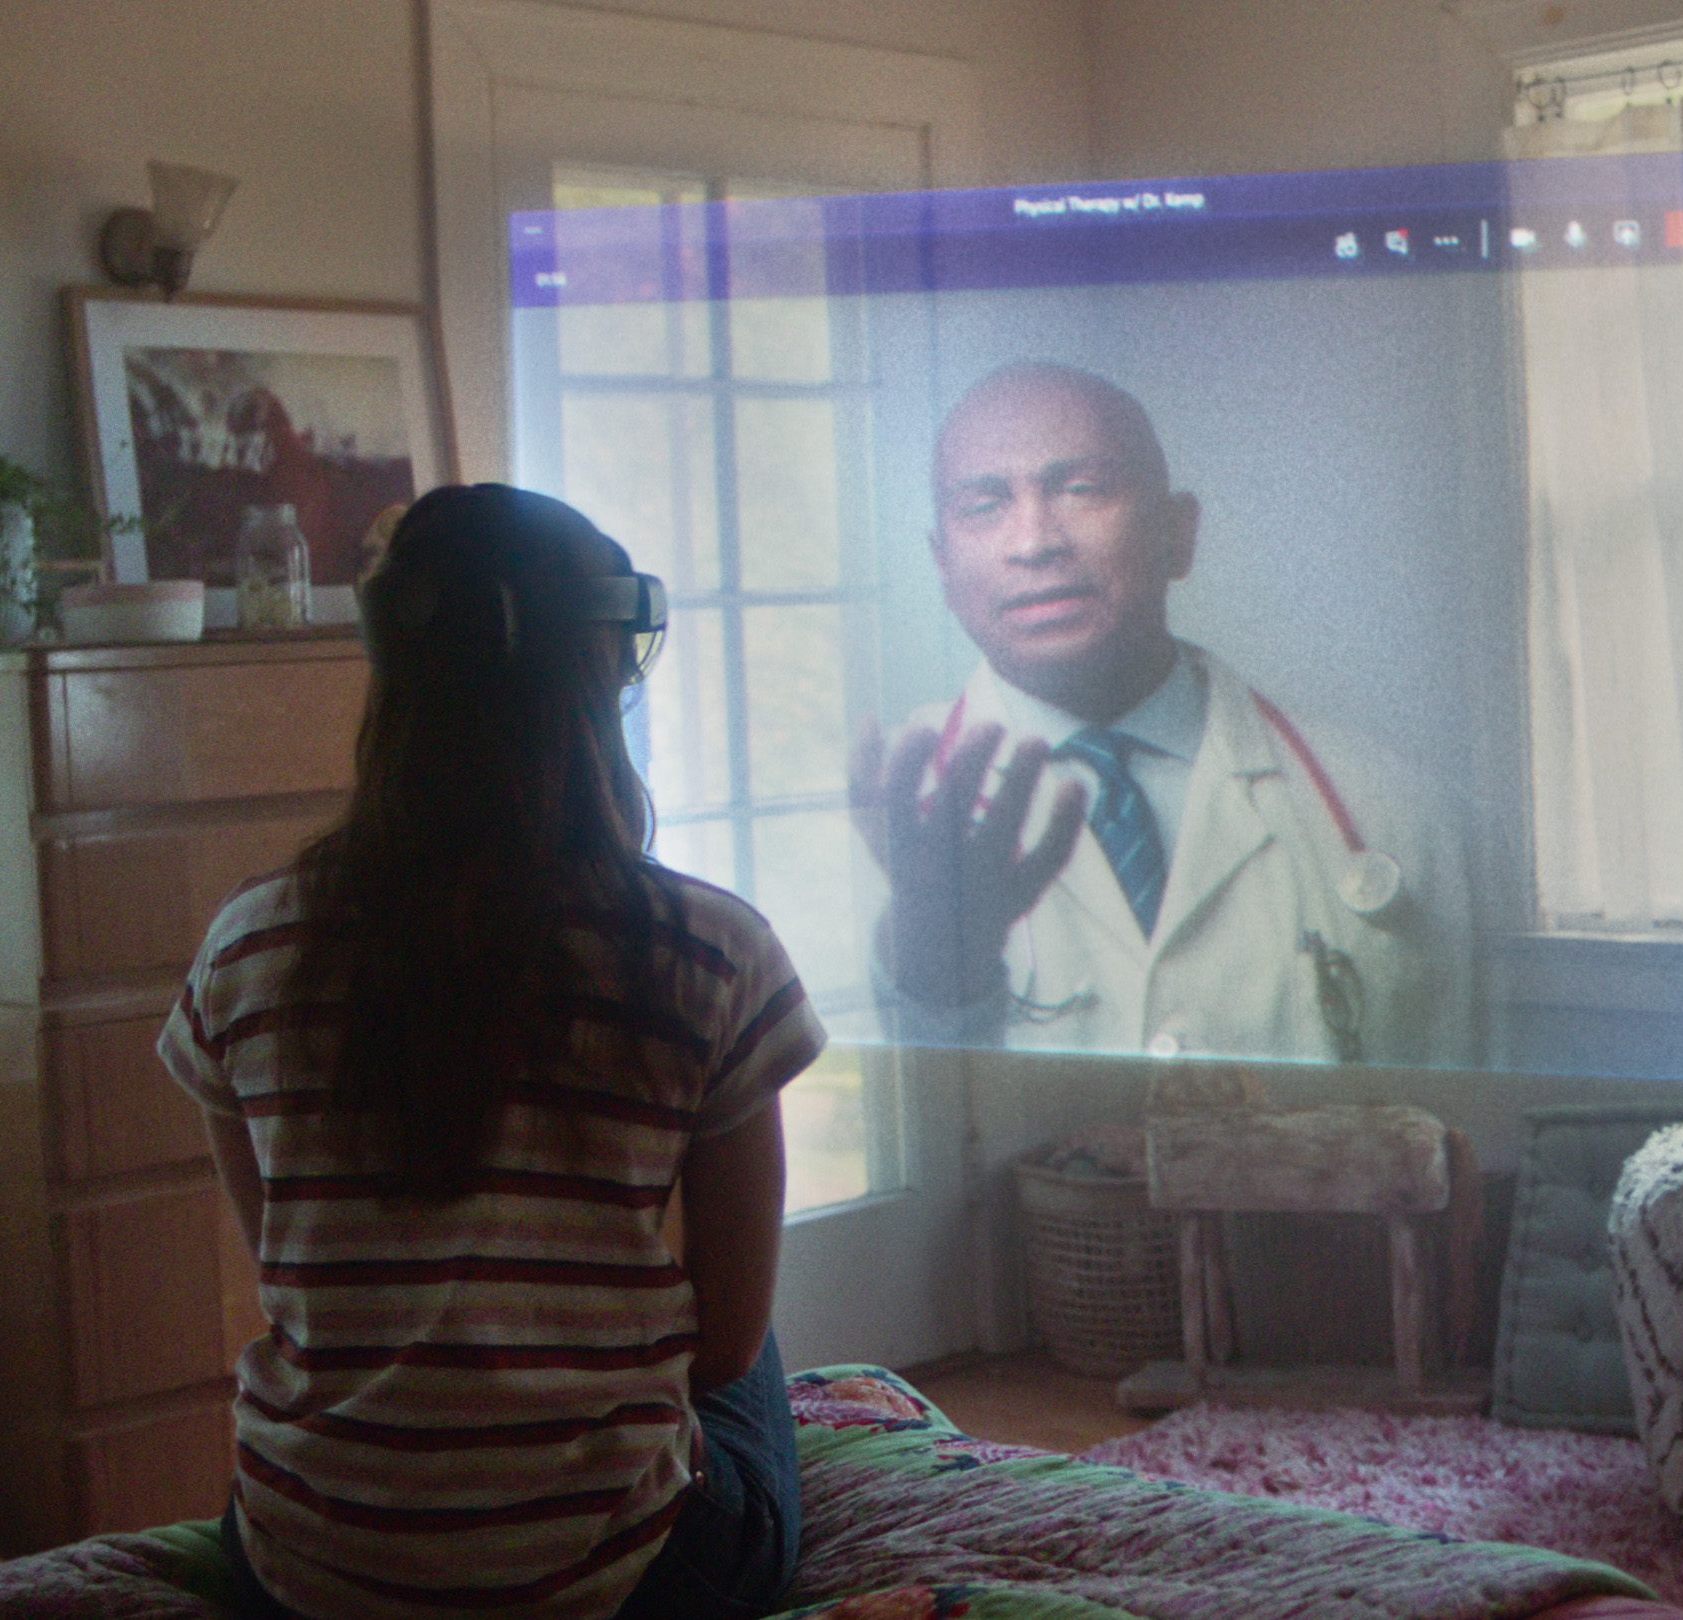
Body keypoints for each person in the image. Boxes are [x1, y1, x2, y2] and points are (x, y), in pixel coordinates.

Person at [161, 485, 825, 1620]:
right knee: (758, 1358)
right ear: (602, 678)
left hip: (304, 1577)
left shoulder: (245, 950)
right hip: (625, 1583)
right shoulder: (708, 956)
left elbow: (294, 1266)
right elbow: (720, 1349)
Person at [850, 360, 1476, 1067]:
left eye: (1081, 489)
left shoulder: (1393, 813)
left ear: (1177, 534)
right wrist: (938, 986)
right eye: (983, 506)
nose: (1034, 542)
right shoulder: (867, 841)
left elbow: (1470, 1143)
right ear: (940, 564)